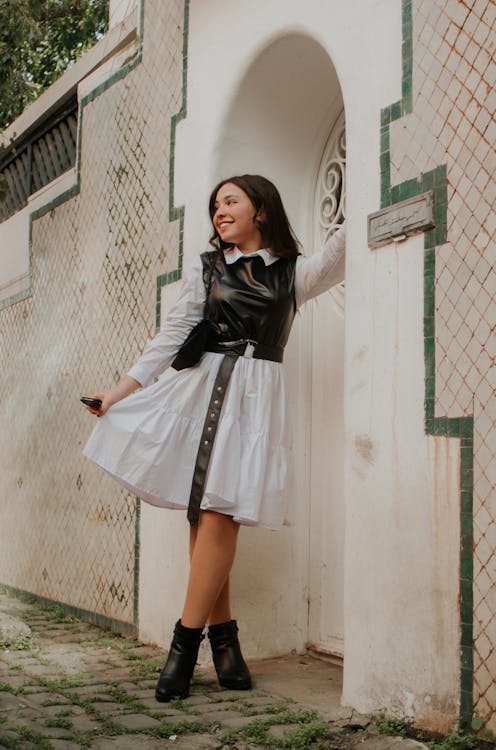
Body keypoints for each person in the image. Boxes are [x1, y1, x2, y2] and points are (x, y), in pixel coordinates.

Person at [83, 174, 346, 702]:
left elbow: (342, 253)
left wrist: (364, 171)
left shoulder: (295, 274)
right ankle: (221, 643)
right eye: (215, 205)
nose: (219, 212)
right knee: (207, 514)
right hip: (201, 392)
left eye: (231, 202)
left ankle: (188, 645)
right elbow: (172, 334)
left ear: (261, 211)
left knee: (218, 513)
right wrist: (118, 392)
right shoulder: (206, 270)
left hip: (254, 402)